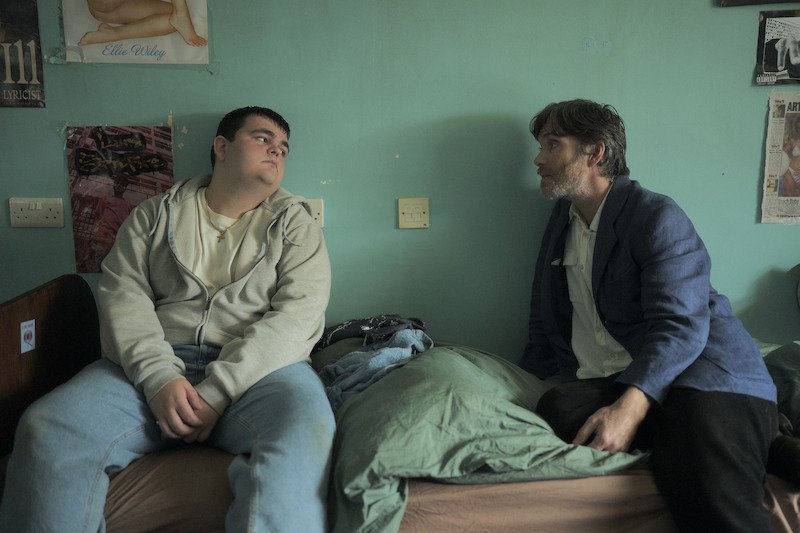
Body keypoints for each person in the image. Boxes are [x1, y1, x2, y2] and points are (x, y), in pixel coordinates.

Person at [0, 106, 335, 532]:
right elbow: (124, 297)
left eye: (284, 148)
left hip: (261, 375)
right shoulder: (154, 215)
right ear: (221, 147)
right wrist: (158, 379)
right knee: (46, 427)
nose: (276, 151)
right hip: (152, 363)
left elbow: (299, 314)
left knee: (305, 428)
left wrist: (218, 391)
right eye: (262, 138)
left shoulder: (297, 225)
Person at [520, 99, 779, 532]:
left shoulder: (655, 215)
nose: (538, 159)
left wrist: (631, 406)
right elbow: (545, 310)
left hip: (706, 371)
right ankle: (768, 444)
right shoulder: (562, 219)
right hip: (626, 373)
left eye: (552, 145)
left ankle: (751, 434)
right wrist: (527, 372)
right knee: (559, 407)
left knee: (700, 488)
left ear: (595, 152)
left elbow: (681, 324)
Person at [78, 0, 207, 46]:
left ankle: (113, 33)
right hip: (103, 3)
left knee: (170, 17)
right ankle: (181, 13)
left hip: (109, 10)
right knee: (178, 10)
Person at [78, 175, 134, 272]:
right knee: (90, 268)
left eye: (122, 184)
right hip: (101, 239)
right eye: (117, 183)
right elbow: (98, 216)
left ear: (125, 188)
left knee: (106, 270)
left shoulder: (128, 205)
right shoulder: (105, 199)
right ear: (114, 185)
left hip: (115, 243)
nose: (119, 186)